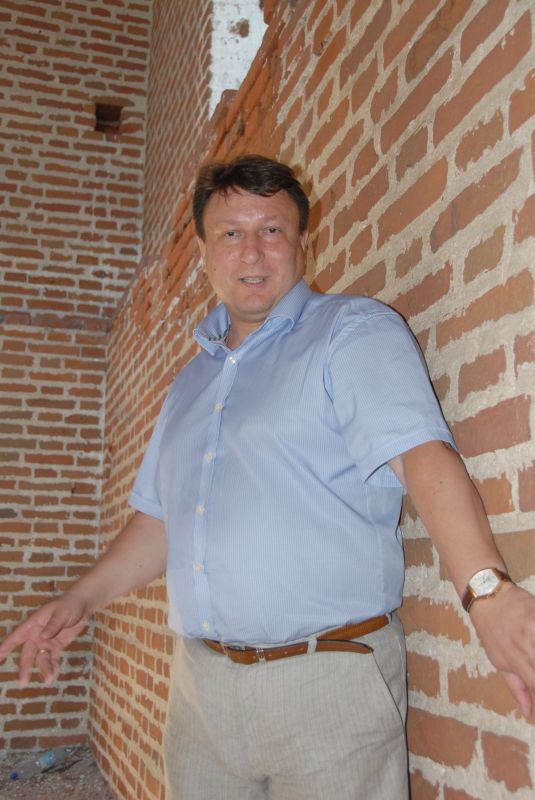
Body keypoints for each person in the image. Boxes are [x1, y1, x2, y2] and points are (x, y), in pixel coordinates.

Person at [1, 155, 534, 800]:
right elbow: (161, 521)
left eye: (272, 230)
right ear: (204, 252)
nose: (252, 251)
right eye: (231, 233)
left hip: (327, 682)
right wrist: (79, 600)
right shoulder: (189, 385)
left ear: (302, 241)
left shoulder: (350, 330)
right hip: (200, 693)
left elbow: (421, 457)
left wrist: (487, 593)